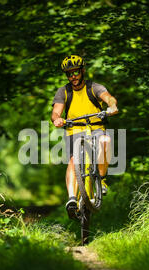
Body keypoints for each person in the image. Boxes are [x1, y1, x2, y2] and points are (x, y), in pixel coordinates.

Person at [50, 55, 118, 220]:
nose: (73, 77)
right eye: (69, 74)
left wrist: (112, 106)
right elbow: (56, 110)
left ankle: (100, 180)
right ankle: (72, 199)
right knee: (73, 161)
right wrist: (57, 118)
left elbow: (108, 97)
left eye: (75, 72)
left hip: (95, 128)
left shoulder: (93, 87)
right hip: (74, 131)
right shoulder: (64, 91)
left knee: (105, 141)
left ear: (82, 71)